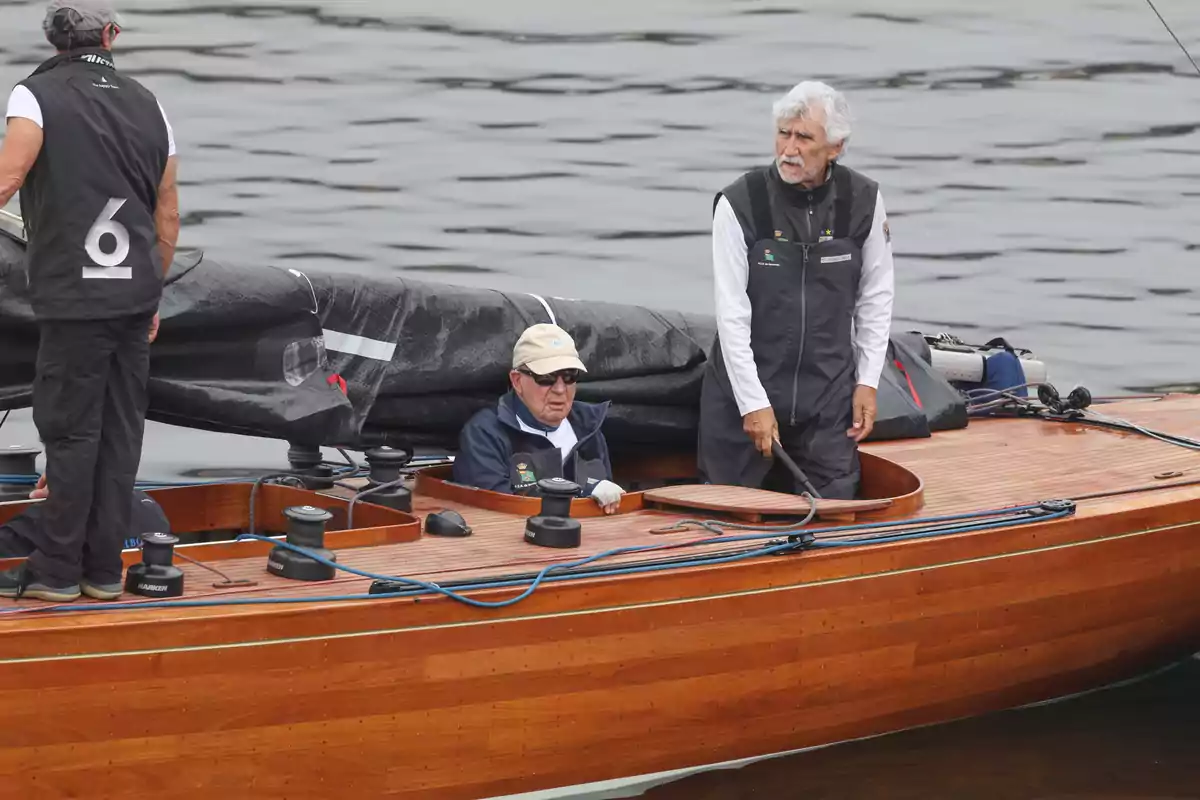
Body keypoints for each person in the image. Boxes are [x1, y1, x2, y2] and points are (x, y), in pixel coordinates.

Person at [0, 0, 180, 602]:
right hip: (133, 300)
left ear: (53, 41)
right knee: (120, 433)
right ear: (110, 35)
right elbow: (168, 214)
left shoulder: (34, 94)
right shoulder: (149, 103)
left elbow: (8, 177)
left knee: (70, 434)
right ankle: (102, 573)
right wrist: (151, 291)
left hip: (75, 302)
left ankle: (53, 573)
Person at [697, 81, 895, 500]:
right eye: (783, 133)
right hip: (743, 399)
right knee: (727, 519)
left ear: (835, 147)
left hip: (827, 400)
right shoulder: (739, 202)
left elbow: (877, 295)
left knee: (837, 519)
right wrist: (752, 403)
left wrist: (868, 381)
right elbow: (731, 313)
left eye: (804, 137)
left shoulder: (865, 200)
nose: (789, 148)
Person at [452, 323, 626, 514]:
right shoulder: (484, 434)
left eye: (569, 376)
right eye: (547, 378)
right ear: (517, 381)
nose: (560, 389)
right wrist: (582, 491)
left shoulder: (589, 428)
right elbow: (496, 506)